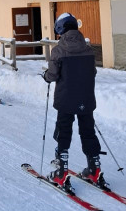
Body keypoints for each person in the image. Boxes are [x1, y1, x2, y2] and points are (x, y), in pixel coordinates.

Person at [43, 12, 108, 191]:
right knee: (87, 131)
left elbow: (53, 75)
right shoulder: (87, 49)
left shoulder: (58, 50)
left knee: (64, 131)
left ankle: (61, 172)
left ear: (60, 28)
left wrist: (46, 76)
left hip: (66, 99)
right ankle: (94, 168)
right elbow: (92, 73)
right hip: (86, 98)